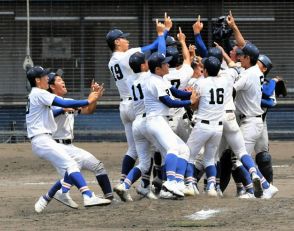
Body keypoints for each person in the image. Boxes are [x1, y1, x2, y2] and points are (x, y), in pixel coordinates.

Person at [26, 66, 111, 213]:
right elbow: (64, 105)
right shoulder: (40, 93)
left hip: (45, 141)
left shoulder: (38, 95)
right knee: (71, 166)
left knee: (71, 170)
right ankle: (88, 195)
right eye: (44, 76)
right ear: (37, 80)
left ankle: (49, 197)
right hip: (43, 140)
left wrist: (93, 98)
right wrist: (87, 99)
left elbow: (78, 107)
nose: (47, 78)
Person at [106, 13, 172, 185]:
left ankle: (123, 183)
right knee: (154, 147)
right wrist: (163, 31)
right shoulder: (126, 55)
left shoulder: (112, 61)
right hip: (138, 106)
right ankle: (146, 183)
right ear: (116, 43)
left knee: (134, 150)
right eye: (123, 38)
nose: (127, 41)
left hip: (124, 105)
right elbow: (155, 48)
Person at [226, 11, 278, 198]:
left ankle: (256, 188)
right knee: (242, 158)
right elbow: (244, 45)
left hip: (251, 122)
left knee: (240, 160)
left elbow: (232, 89)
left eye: (243, 56)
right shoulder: (255, 69)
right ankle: (264, 186)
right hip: (251, 120)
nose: (240, 56)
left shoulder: (248, 74)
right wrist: (234, 28)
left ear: (249, 58)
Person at [44, 72, 113, 205]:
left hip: (70, 147)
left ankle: (109, 197)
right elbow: (48, 115)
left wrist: (94, 97)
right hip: (57, 147)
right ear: (52, 86)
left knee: (98, 167)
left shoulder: (67, 101)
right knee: (69, 175)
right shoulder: (47, 101)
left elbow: (88, 110)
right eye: (59, 80)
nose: (63, 82)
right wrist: (63, 109)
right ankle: (56, 195)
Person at [143, 52, 198, 198]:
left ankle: (177, 183)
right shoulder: (153, 81)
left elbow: (176, 92)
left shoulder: (161, 78)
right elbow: (169, 102)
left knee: (184, 149)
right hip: (155, 120)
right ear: (157, 69)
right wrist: (190, 102)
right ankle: (170, 183)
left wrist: (192, 93)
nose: (168, 65)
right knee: (173, 148)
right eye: (164, 64)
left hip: (161, 121)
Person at [186, 56, 229, 197]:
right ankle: (211, 186)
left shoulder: (200, 83)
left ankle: (191, 183)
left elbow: (194, 106)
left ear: (205, 70)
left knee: (189, 155)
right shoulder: (224, 81)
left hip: (202, 125)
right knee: (210, 158)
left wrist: (191, 99)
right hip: (218, 127)